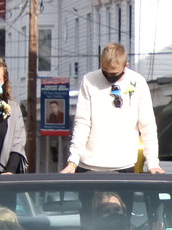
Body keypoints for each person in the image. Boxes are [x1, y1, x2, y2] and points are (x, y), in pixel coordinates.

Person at [62, 43, 161, 174]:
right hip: (88, 164)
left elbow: (147, 126)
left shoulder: (138, 82)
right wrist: (73, 161)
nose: (109, 76)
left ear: (126, 64)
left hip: (124, 164)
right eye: (105, 71)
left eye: (114, 73)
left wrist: (153, 162)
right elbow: (82, 123)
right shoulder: (89, 80)